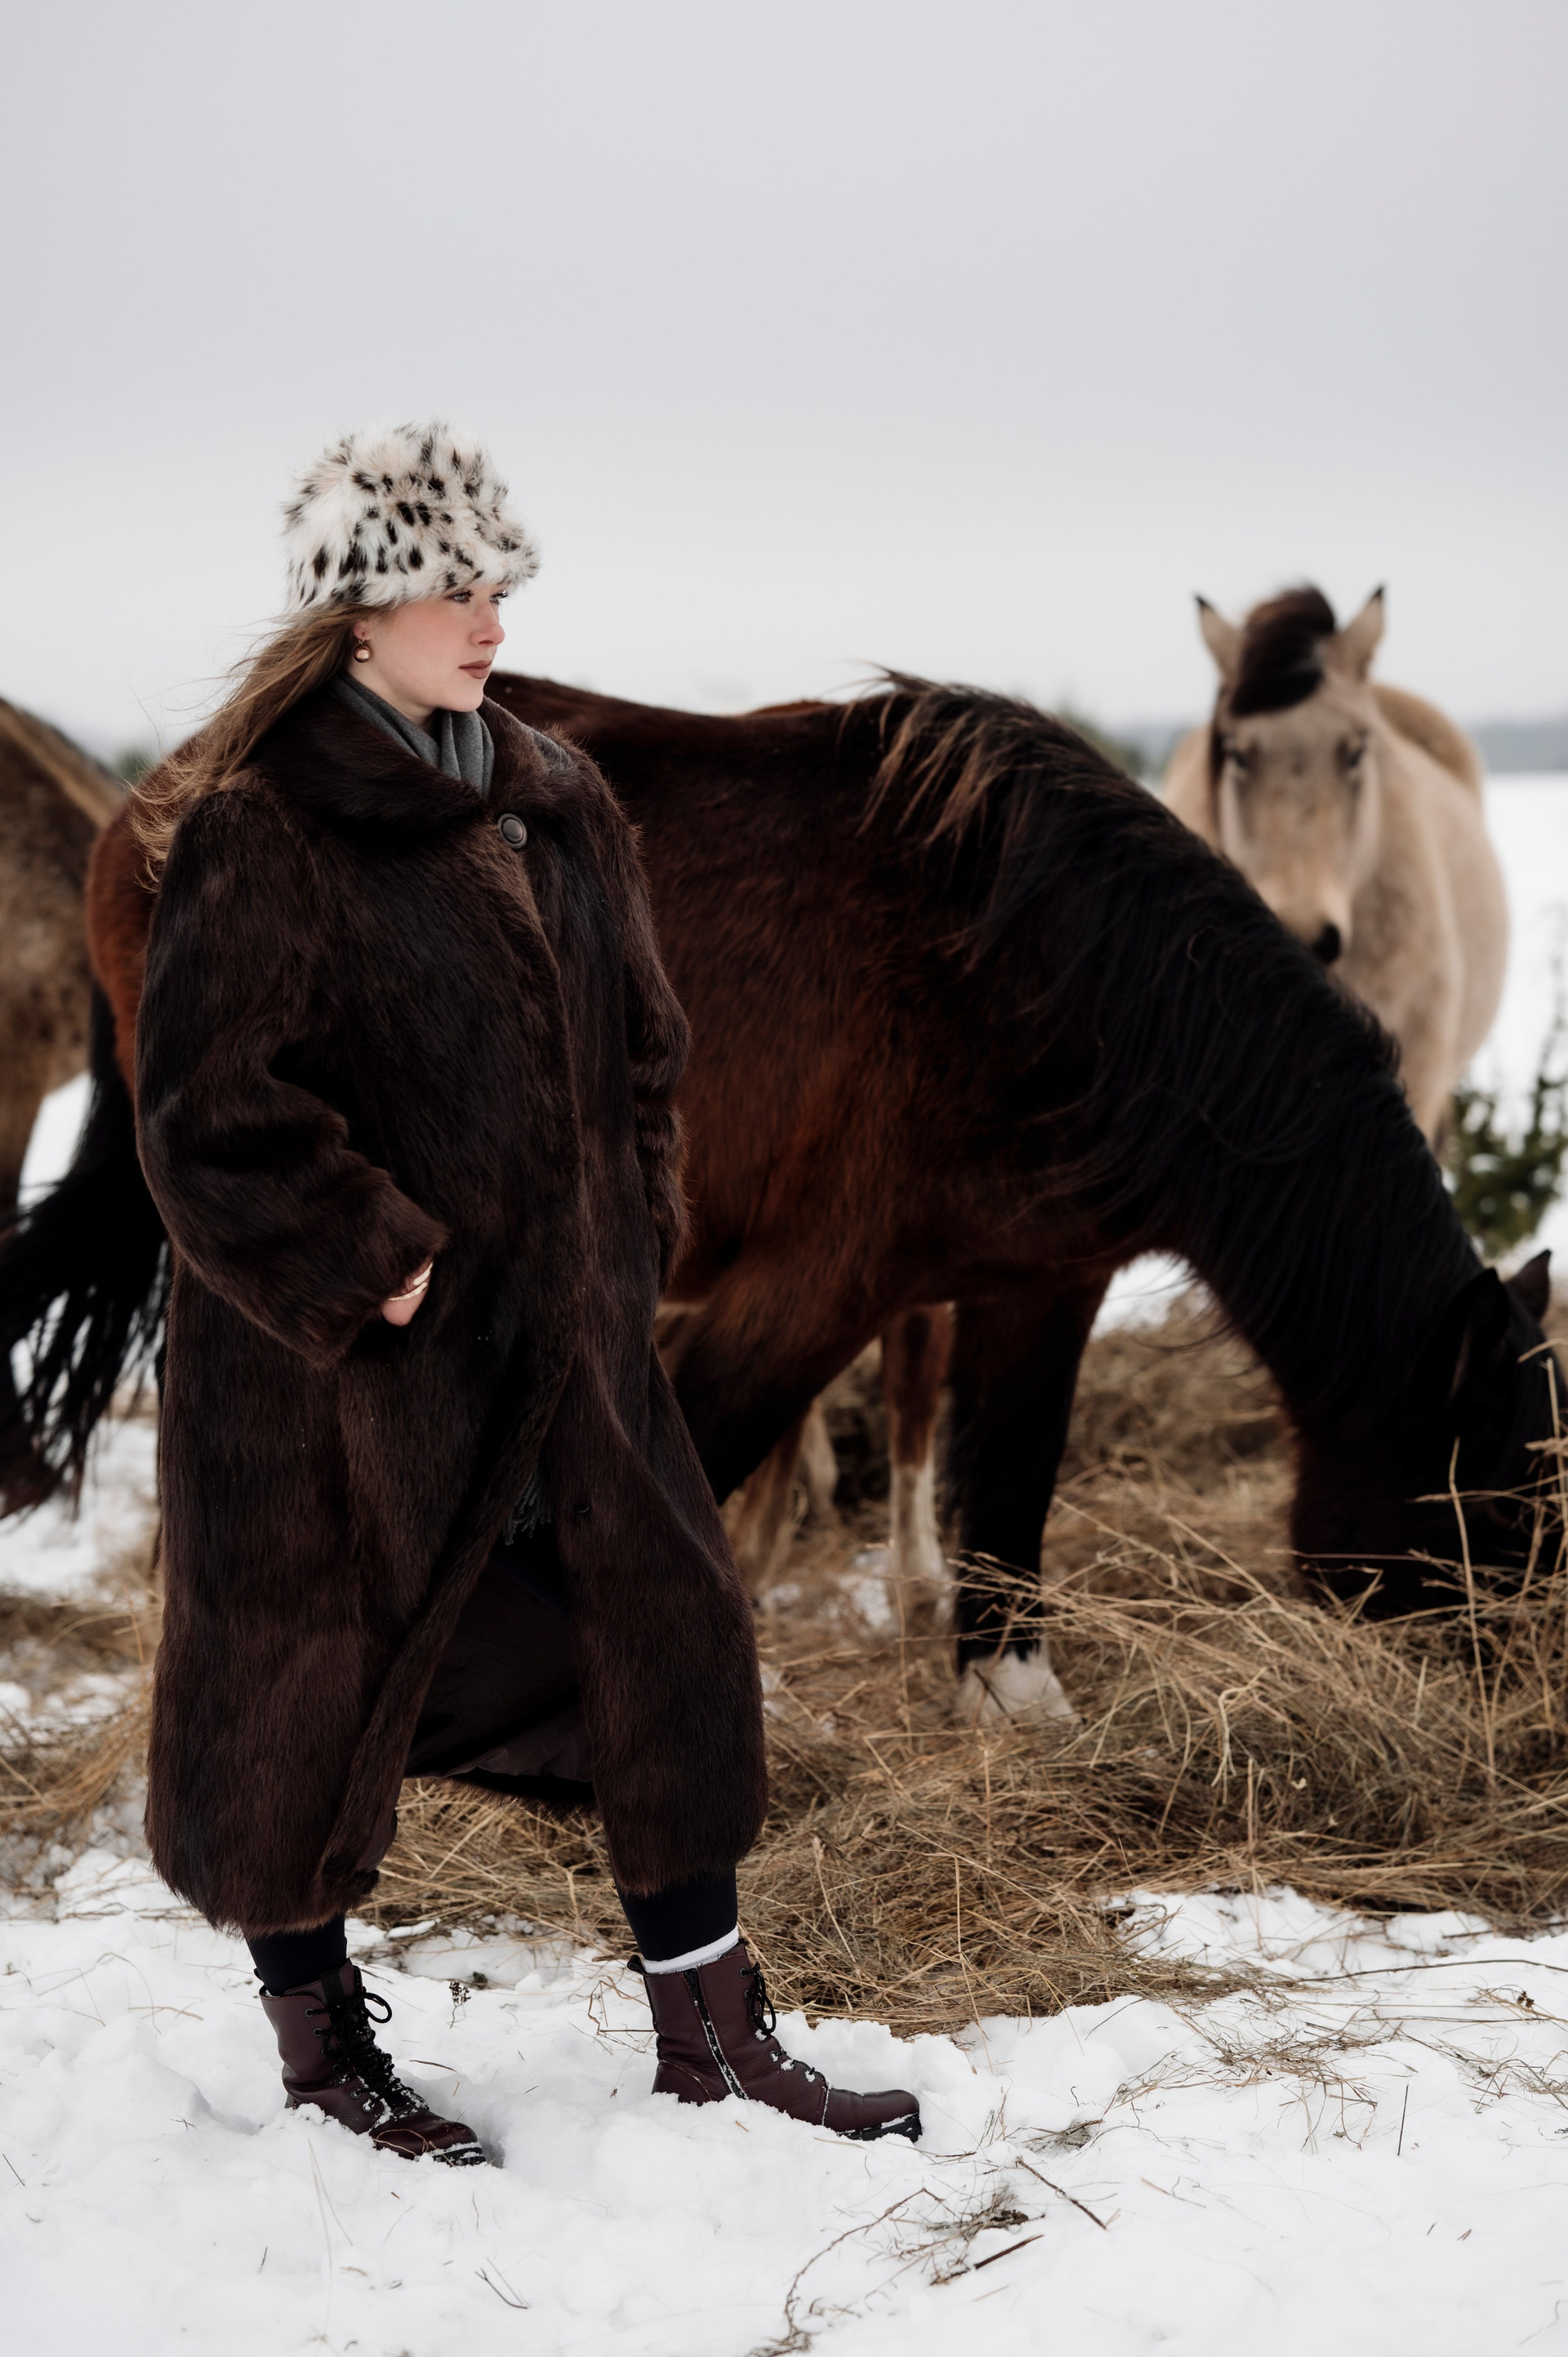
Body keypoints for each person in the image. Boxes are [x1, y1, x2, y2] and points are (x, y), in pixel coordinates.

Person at [131, 421, 920, 2164]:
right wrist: (380, 1264)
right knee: (306, 1692)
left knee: (664, 1644)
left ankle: (715, 2037)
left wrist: (629, 1236)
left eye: (500, 583)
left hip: (566, 1355)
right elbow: (204, 1118)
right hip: (339, 1390)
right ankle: (323, 2059)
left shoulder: (556, 801)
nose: (491, 618)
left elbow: (646, 1055)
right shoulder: (266, 830)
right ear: (357, 617)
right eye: (454, 589)